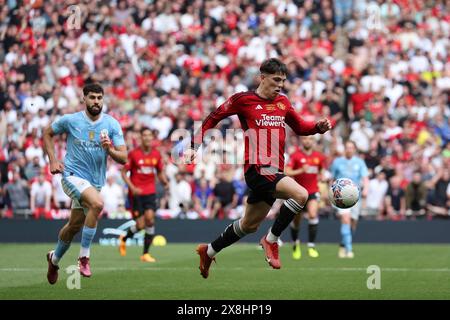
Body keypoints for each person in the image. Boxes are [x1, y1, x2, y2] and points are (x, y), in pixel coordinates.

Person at [189, 58, 332, 278]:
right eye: (276, 79)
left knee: (249, 225)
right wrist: (194, 145)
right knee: (301, 194)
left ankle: (208, 251)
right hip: (258, 169)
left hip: (275, 170)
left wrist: (317, 127)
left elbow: (301, 127)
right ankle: (272, 240)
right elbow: (213, 117)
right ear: (262, 77)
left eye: (283, 81)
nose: (280, 85)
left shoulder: (283, 102)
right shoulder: (243, 100)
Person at [43, 83, 127, 284]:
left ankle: (54, 259)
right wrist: (53, 160)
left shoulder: (112, 124)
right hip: (71, 175)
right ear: (84, 99)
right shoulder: (71, 120)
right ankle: (84, 257)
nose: (96, 101)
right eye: (92, 97)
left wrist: (110, 150)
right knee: (97, 204)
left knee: (73, 227)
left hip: (94, 182)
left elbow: (123, 157)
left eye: (99, 98)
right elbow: (47, 133)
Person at [269, 135, 327, 260]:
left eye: (310, 139)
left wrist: (322, 176)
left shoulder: (319, 156)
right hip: (298, 193)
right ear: (302, 141)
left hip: (313, 191)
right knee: (296, 221)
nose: (308, 141)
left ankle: (311, 246)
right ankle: (295, 243)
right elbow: (286, 171)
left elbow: (322, 170)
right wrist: (300, 170)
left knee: (312, 214)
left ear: (313, 141)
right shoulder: (296, 155)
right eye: (305, 139)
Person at [118, 127, 169, 262]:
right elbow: (123, 173)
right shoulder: (134, 154)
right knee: (140, 225)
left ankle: (145, 254)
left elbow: (159, 172)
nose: (147, 138)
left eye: (149, 135)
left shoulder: (156, 154)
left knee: (150, 220)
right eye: (144, 135)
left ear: (152, 138)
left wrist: (164, 181)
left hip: (150, 192)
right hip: (136, 193)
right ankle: (124, 238)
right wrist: (132, 187)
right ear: (141, 137)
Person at [330, 141, 369, 258]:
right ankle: (349, 250)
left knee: (353, 223)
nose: (349, 150)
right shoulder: (337, 162)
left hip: (355, 197)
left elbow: (365, 177)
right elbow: (332, 179)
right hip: (340, 197)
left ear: (354, 149)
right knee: (346, 220)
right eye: (347, 147)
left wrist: (366, 188)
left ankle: (343, 244)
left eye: (351, 148)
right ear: (344, 149)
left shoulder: (359, 162)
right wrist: (329, 192)